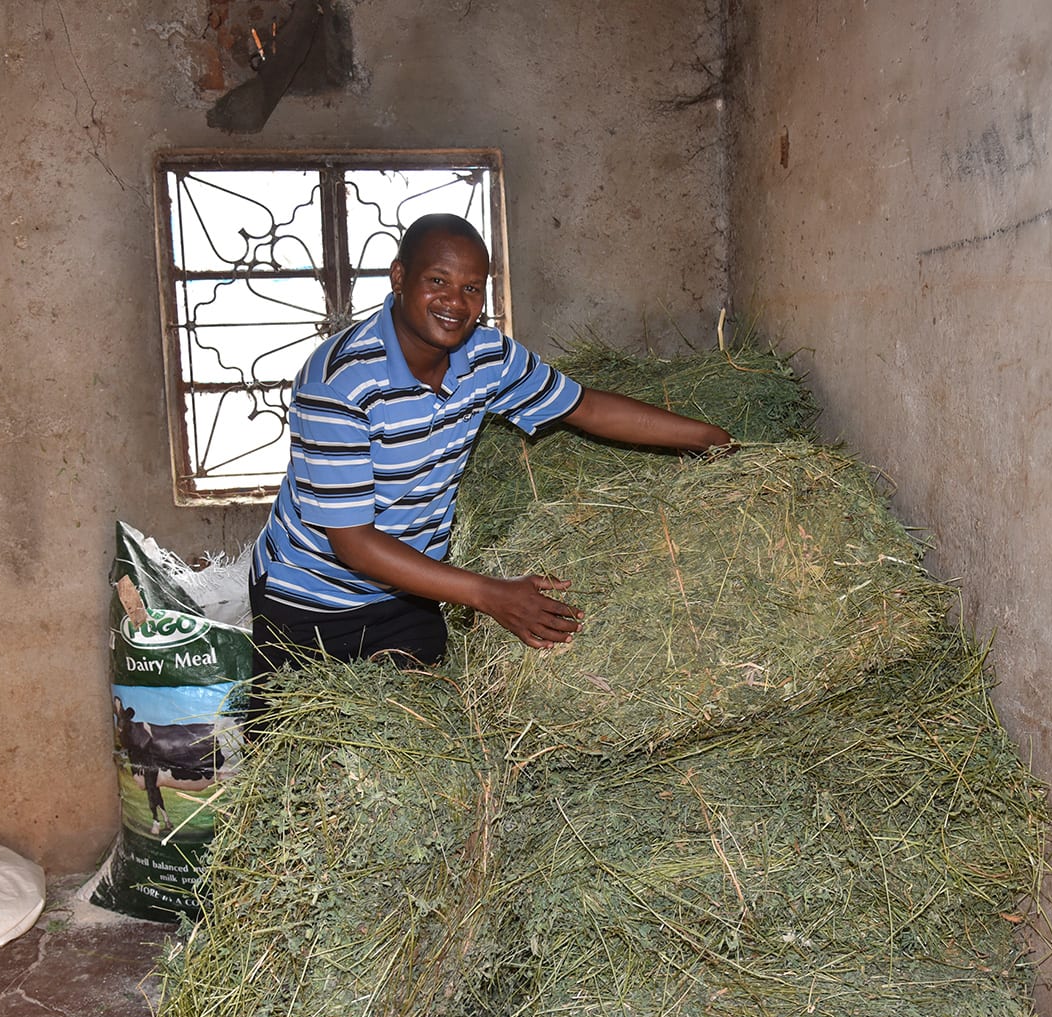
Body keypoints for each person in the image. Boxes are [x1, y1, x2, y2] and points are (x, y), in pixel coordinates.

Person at [248, 212, 730, 678]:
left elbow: (585, 407)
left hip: (408, 590)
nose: (454, 302)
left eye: (471, 288)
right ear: (399, 277)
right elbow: (354, 543)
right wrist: (490, 594)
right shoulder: (339, 381)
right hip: (309, 596)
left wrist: (707, 437)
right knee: (294, 751)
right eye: (437, 281)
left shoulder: (487, 356)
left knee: (425, 741)